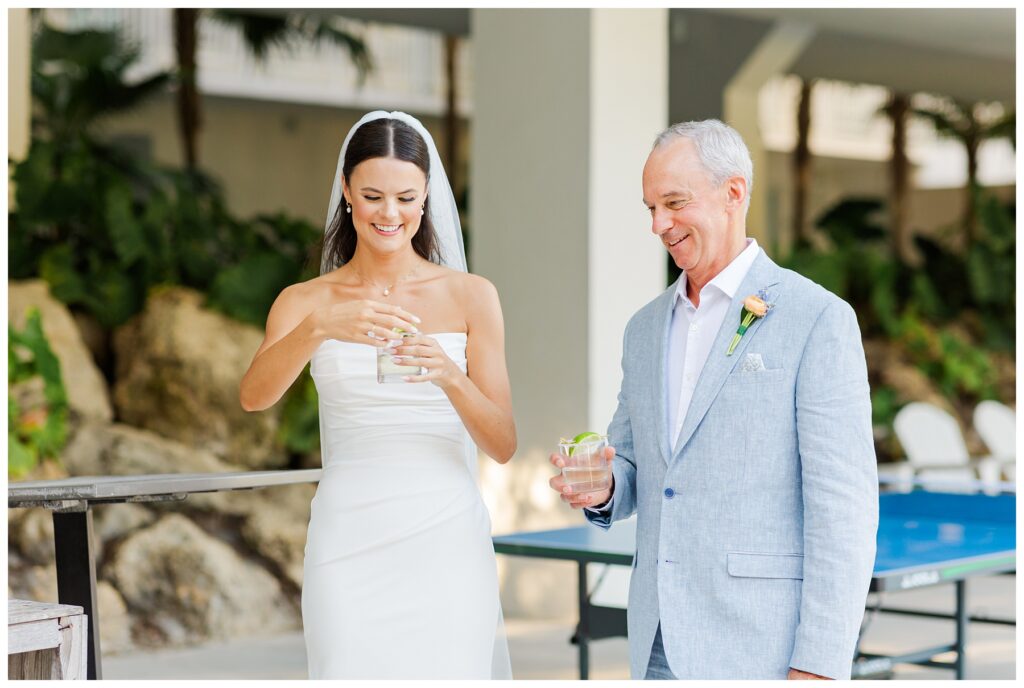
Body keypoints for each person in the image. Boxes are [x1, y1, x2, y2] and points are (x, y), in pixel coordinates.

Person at [548, 120, 878, 680]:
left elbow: (843, 510)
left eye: (674, 203)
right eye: (650, 208)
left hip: (762, 649)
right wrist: (604, 486)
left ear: (733, 193)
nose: (659, 224)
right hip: (656, 642)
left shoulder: (818, 318)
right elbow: (635, 466)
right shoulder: (644, 329)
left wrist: (819, 666)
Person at [240, 111, 515, 679]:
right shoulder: (303, 300)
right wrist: (319, 328)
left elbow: (504, 442)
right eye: (372, 195)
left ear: (425, 199)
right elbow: (254, 396)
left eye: (405, 197)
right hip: (348, 535)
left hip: (445, 537)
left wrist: (449, 375)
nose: (390, 214)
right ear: (346, 192)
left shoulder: (473, 297)